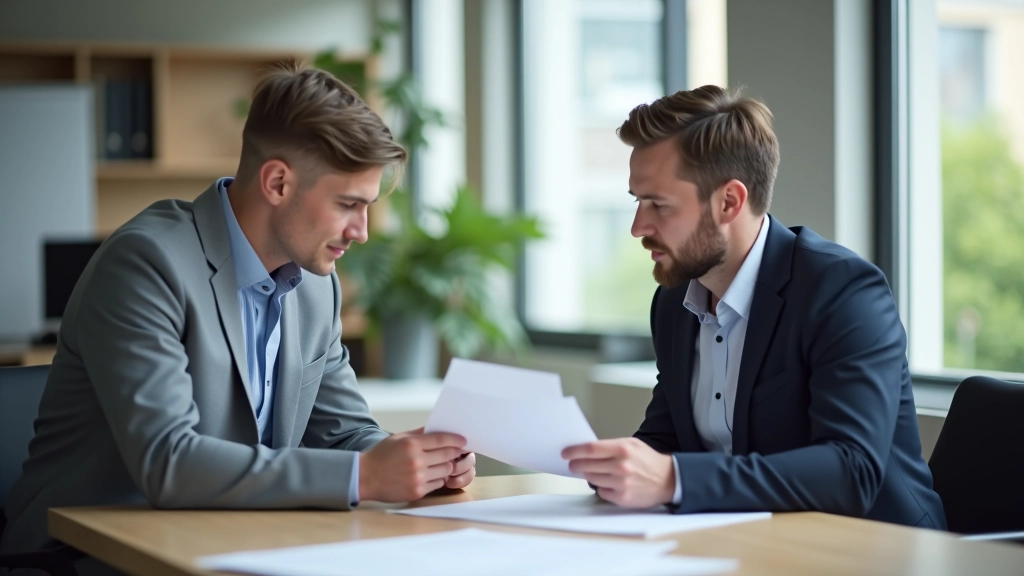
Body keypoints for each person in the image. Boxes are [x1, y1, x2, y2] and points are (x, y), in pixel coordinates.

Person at [1, 65, 476, 555]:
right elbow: (169, 462)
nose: (362, 231)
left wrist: (416, 461)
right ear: (277, 183)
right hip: (84, 557)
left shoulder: (316, 286)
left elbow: (341, 433)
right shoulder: (146, 265)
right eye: (348, 204)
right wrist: (364, 476)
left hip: (230, 542)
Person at [562, 86, 946, 529]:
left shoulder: (843, 292)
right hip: (747, 541)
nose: (637, 227)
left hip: (876, 550)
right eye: (637, 201)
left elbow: (851, 472)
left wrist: (674, 479)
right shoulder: (674, 301)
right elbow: (665, 441)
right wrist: (580, 457)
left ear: (729, 201)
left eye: (658, 205)